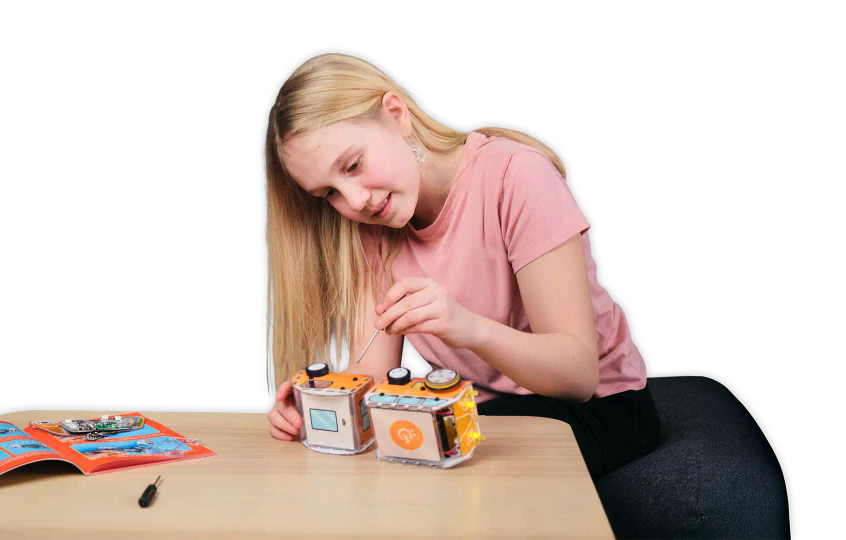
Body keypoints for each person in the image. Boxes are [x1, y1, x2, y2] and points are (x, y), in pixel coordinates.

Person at [262, 53, 659, 481]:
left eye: (354, 165)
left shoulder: (517, 175)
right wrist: (319, 404)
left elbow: (577, 374)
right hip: (478, 410)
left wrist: (467, 327)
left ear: (396, 115)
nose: (355, 201)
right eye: (329, 193)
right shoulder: (371, 226)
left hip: (599, 407)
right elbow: (371, 373)